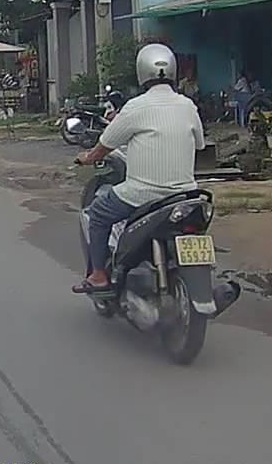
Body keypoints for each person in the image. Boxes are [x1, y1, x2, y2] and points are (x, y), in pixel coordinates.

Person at [72, 43, 206, 293]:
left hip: (142, 195)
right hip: (185, 195)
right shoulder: (187, 105)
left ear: (142, 72)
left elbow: (105, 145)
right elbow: (199, 144)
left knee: (97, 214)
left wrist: (87, 158)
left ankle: (98, 275)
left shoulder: (136, 106)